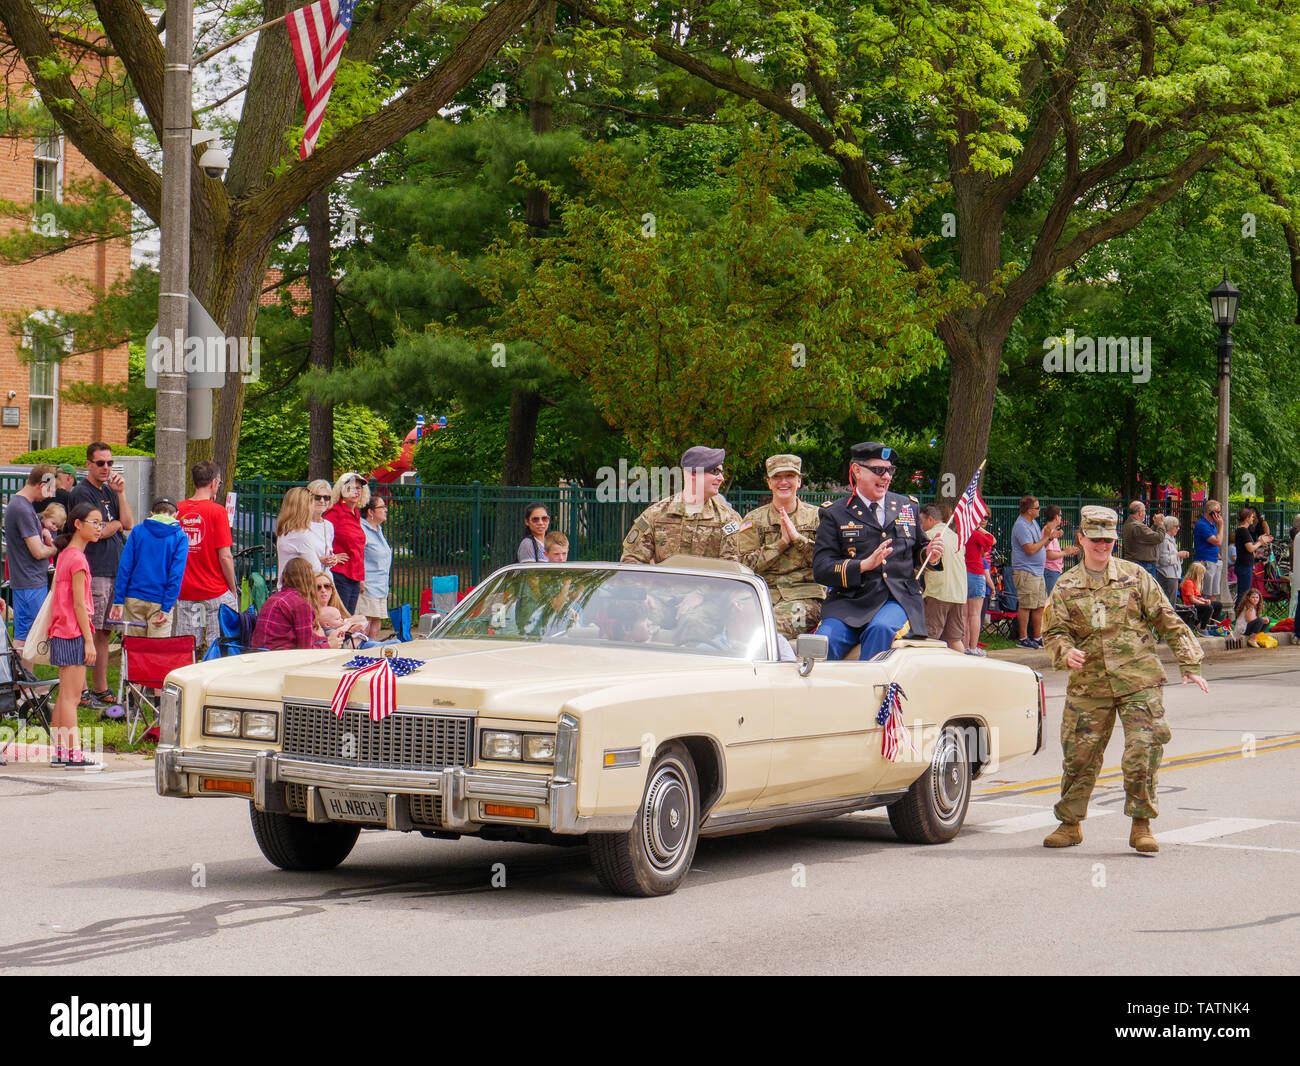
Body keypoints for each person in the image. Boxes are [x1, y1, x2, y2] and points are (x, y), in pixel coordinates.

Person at [1041, 506, 1207, 854]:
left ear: (1115, 541)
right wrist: (1064, 651)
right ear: (1082, 539)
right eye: (1096, 539)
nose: (1102, 545)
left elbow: (1167, 619)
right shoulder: (1066, 586)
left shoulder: (1135, 577)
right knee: (1079, 757)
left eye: (1109, 539)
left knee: (1142, 751)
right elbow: (1053, 631)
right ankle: (1070, 823)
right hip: (1089, 685)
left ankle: (1141, 824)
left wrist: (1190, 663)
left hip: (1138, 680)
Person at [812, 441, 943, 660]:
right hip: (849, 603)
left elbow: (919, 551)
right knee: (824, 642)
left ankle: (870, 691)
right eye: (878, 470)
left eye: (890, 470)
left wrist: (930, 553)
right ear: (857, 471)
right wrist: (862, 565)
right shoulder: (835, 513)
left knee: (880, 630)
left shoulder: (906, 506)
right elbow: (822, 568)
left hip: (895, 599)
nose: (887, 477)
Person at [67, 442, 134, 707]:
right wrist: (112, 525)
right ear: (88, 465)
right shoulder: (81, 493)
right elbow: (95, 531)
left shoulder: (109, 491)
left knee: (105, 632)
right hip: (94, 570)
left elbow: (128, 523)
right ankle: (81, 691)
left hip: (114, 570)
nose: (106, 468)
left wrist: (121, 493)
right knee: (88, 630)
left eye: (109, 463)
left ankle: (100, 688)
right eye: (100, 463)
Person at [736, 454, 824, 640]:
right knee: (733, 627)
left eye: (790, 476)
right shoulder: (754, 521)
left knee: (771, 630)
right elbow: (743, 567)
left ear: (799, 481)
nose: (783, 482)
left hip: (805, 600)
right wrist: (780, 544)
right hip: (762, 596)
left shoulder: (818, 518)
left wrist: (798, 539)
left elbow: (826, 563)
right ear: (769, 482)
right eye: (777, 477)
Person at [45, 502, 103, 768]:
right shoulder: (78, 559)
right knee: (72, 697)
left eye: (101, 523)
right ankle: (73, 754)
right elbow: (80, 604)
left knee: (64, 694)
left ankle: (60, 750)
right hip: (73, 631)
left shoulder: (65, 555)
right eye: (94, 522)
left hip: (61, 629)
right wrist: (89, 640)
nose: (99, 528)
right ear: (78, 524)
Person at [620, 446, 747, 564]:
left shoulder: (728, 519)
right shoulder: (654, 515)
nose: (721, 478)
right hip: (664, 588)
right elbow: (631, 561)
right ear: (692, 474)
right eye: (715, 471)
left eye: (721, 472)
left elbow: (734, 569)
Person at [175, 460, 238, 655]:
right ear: (213, 483)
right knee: (219, 645)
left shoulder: (178, 510)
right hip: (214, 591)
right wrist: (233, 588)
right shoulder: (217, 511)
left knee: (188, 646)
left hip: (186, 591)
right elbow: (225, 556)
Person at [108, 497, 188, 638]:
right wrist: (167, 606)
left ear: (152, 513)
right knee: (157, 653)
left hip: (134, 598)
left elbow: (125, 567)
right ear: (176, 514)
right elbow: (176, 575)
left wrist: (119, 599)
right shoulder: (180, 537)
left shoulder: (138, 531)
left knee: (133, 649)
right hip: (160, 600)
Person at [3, 464, 58, 651]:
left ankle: (22, 679)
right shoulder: (22, 508)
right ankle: (21, 678)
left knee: (25, 638)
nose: (50, 495)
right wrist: (58, 547)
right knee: (35, 635)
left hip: (27, 581)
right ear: (42, 484)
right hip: (30, 582)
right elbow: (39, 552)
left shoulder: (22, 506)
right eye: (50, 489)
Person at [253, 559, 345, 651]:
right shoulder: (301, 604)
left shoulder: (273, 598)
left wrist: (326, 640)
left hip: (259, 654)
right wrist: (329, 645)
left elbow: (303, 636)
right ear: (308, 578)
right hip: (280, 657)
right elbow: (306, 649)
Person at [1010, 495, 1058, 648]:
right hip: (1026, 571)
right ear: (1029, 510)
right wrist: (1047, 538)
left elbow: (1040, 545)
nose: (1039, 510)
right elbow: (1030, 549)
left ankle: (1037, 637)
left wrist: (1050, 538)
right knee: (1026, 605)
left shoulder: (1033, 523)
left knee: (1038, 605)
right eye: (1037, 508)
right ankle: (1023, 638)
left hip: (1037, 571)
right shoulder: (1021, 526)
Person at [919, 504, 966, 652]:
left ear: (931, 519)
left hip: (937, 592)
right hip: (958, 593)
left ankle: (930, 671)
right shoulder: (956, 537)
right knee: (955, 638)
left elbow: (921, 564)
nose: (920, 525)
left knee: (930, 638)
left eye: (921, 521)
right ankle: (961, 670)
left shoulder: (931, 536)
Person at [276, 486, 344, 581]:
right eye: (312, 502)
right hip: (301, 590)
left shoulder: (287, 530)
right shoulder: (300, 535)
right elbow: (315, 570)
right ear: (305, 507)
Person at [324, 472, 369, 614]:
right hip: (340, 574)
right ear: (342, 490)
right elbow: (322, 540)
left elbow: (358, 549)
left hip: (354, 577)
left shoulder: (355, 513)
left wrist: (361, 578)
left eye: (358, 488)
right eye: (350, 488)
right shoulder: (334, 513)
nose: (355, 491)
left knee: (348, 618)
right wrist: (333, 557)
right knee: (340, 617)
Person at [357, 495, 393, 641]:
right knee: (365, 626)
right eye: (381, 507)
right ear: (370, 512)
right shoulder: (362, 530)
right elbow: (357, 556)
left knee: (376, 627)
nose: (385, 510)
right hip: (367, 585)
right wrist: (359, 579)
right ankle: (361, 655)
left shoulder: (378, 529)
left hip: (381, 586)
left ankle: (370, 654)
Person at [963, 515, 996, 656]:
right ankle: (973, 647)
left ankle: (963, 646)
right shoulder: (975, 534)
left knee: (964, 615)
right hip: (976, 573)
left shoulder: (961, 534)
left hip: (963, 573)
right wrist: (979, 529)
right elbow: (992, 540)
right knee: (974, 614)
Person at [1233, 506, 1270, 611]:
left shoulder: (1242, 530)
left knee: (1243, 591)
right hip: (1244, 566)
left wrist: (1259, 540)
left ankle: (1240, 614)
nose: (1253, 519)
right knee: (1243, 593)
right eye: (1252, 517)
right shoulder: (1243, 531)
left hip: (1244, 565)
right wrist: (1260, 542)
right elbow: (1250, 548)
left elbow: (1249, 548)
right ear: (1247, 518)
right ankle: (1238, 615)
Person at [1041, 504, 1079, 596]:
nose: (1061, 518)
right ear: (1056, 517)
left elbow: (1052, 551)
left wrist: (1066, 551)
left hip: (1053, 570)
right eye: (1061, 515)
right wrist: (1065, 552)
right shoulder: (1048, 530)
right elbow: (1049, 554)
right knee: (1052, 599)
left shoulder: (1051, 530)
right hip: (1050, 571)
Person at [1192, 500, 1226, 601]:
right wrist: (1221, 526)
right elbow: (1217, 541)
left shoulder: (1211, 525)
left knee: (1214, 592)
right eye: (1217, 512)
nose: (1219, 515)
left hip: (1214, 559)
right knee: (1204, 592)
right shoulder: (1202, 525)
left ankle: (1211, 615)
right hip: (1205, 561)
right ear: (1210, 512)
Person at [1121, 500, 1164, 578]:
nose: (1145, 513)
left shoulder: (1129, 524)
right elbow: (1159, 538)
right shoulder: (1137, 526)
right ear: (1140, 512)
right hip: (1144, 564)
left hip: (1136, 563)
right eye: (1144, 511)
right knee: (1147, 589)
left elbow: (1147, 537)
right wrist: (1160, 524)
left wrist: (1155, 525)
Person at [1155, 515, 1189, 602]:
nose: (1178, 528)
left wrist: (1180, 556)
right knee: (1169, 602)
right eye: (1176, 526)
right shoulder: (1164, 540)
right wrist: (1178, 555)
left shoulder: (1171, 539)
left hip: (1173, 574)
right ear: (1169, 527)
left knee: (1172, 601)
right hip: (1167, 575)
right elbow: (1163, 560)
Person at [1179, 562, 1218, 633]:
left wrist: (1204, 601)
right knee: (1208, 608)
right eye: (1202, 574)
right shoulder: (1188, 583)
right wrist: (1203, 603)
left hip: (1195, 604)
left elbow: (1197, 597)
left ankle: (1210, 625)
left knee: (1218, 605)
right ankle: (1202, 628)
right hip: (1190, 606)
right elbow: (1192, 600)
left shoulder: (1195, 583)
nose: (1203, 576)